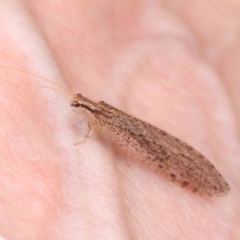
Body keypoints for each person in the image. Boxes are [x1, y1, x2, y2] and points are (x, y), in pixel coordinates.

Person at [0, 1, 238, 239]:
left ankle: (203, 183)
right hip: (134, 131)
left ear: (85, 106)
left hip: (151, 143)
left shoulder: (102, 117)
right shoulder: (97, 113)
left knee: (162, 154)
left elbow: (127, 139)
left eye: (78, 103)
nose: (77, 105)